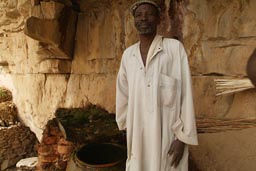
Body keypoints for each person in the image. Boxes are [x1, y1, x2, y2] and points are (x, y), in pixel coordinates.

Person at [116, 0, 198, 170]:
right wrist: (125, 127)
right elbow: (122, 94)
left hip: (168, 137)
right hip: (138, 134)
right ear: (134, 21)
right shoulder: (128, 56)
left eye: (149, 14)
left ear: (159, 19)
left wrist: (182, 138)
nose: (143, 18)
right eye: (138, 15)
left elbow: (186, 95)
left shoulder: (174, 49)